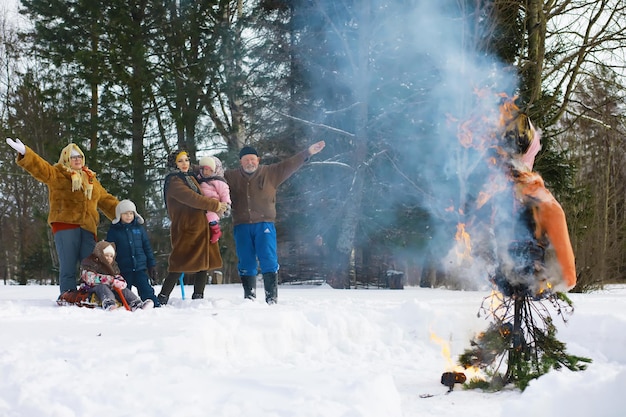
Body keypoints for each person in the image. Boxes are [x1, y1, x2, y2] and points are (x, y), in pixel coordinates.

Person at [5, 138, 119, 294]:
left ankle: (93, 294)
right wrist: (26, 153)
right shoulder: (58, 174)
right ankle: (68, 295)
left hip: (88, 228)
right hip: (66, 225)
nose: (77, 159)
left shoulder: (90, 179)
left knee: (92, 265)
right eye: (73, 157)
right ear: (66, 159)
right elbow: (42, 168)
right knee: (68, 265)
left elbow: (107, 200)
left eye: (79, 156)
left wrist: (127, 213)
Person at [224, 141, 326, 304]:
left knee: (268, 258)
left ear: (258, 159)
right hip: (241, 226)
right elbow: (211, 175)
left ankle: (271, 298)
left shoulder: (271, 172)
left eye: (252, 159)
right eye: (246, 160)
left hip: (264, 225)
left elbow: (290, 164)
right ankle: (249, 298)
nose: (250, 162)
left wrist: (307, 152)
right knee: (246, 260)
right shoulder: (231, 176)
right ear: (240, 162)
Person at [492, 101, 576, 297]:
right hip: (530, 280)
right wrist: (559, 282)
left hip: (503, 278)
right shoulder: (543, 201)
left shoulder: (492, 195)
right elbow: (569, 275)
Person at [157, 149, 229, 305]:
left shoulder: (189, 177)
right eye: (180, 161)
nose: (185, 164)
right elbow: (192, 198)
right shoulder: (174, 181)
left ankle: (198, 297)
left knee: (204, 262)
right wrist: (215, 204)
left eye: (186, 160)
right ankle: (162, 298)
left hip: (200, 225)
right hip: (185, 227)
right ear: (173, 164)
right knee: (178, 263)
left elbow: (207, 170)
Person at [106, 199, 160, 307]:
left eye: (131, 213)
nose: (129, 216)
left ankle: (153, 304)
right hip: (123, 269)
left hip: (139, 268)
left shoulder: (139, 229)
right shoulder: (114, 231)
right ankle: (126, 305)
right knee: (124, 291)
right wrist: (111, 267)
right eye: (125, 213)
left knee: (146, 288)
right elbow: (110, 251)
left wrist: (151, 265)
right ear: (119, 215)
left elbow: (147, 248)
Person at [80, 240, 153, 311]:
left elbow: (117, 276)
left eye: (111, 256)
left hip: (109, 287)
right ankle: (109, 303)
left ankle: (136, 303)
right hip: (91, 289)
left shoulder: (112, 266)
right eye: (106, 255)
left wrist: (120, 282)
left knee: (123, 289)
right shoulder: (90, 263)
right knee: (102, 287)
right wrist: (111, 280)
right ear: (99, 254)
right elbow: (90, 278)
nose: (109, 258)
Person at [196, 155, 231, 244]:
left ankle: (216, 230)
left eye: (209, 170)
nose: (206, 172)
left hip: (214, 203)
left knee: (210, 215)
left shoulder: (218, 181)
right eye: (205, 170)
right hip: (203, 202)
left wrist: (226, 205)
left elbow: (224, 193)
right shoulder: (199, 180)